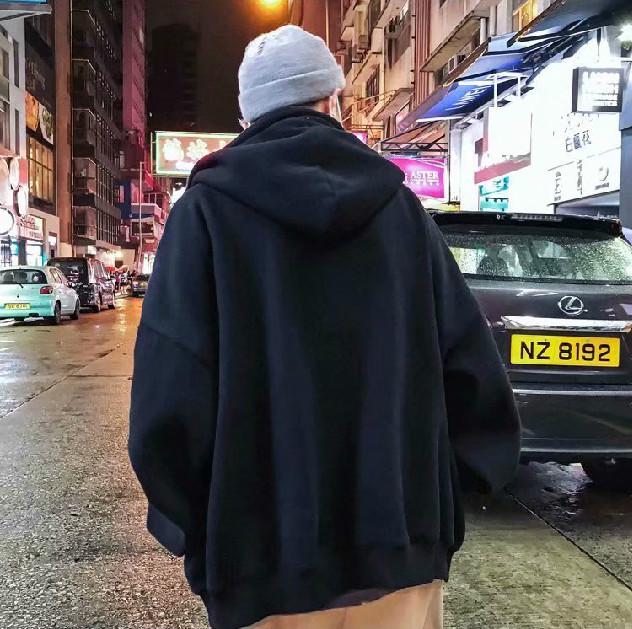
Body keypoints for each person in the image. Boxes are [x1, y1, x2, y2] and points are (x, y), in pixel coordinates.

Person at [129, 25, 521, 629]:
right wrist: (450, 486)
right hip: (400, 545)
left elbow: (170, 388)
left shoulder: (204, 212)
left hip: (261, 561)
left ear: (246, 115)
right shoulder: (402, 212)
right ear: (333, 99)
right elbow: (469, 364)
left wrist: (191, 521)